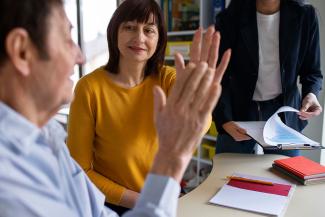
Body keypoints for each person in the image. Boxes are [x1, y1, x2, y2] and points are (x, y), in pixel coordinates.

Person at [0, 0, 231, 216]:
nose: (80, 56)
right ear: (21, 51)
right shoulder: (11, 179)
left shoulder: (47, 137)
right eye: (66, 38)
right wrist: (170, 160)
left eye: (149, 30)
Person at [67, 0, 207, 213]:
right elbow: (80, 171)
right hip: (111, 205)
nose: (139, 38)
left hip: (165, 196)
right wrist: (142, 201)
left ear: (159, 38)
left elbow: (202, 123)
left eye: (149, 30)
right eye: (129, 27)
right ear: (115, 32)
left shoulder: (168, 78)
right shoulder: (89, 88)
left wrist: (198, 97)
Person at [213, 0, 322, 156]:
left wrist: (311, 94)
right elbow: (218, 74)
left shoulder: (305, 15)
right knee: (227, 177)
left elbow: (312, 71)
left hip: (284, 116)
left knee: (286, 178)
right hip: (237, 114)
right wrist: (224, 119)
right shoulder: (229, 18)